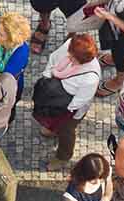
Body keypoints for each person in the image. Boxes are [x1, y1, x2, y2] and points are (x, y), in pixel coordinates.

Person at [32, 32, 102, 171]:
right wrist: (47, 78)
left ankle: (63, 156)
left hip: (69, 107)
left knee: (66, 131)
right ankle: (52, 130)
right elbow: (53, 58)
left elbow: (81, 100)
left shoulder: (90, 77)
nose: (68, 56)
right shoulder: (71, 46)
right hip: (55, 93)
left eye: (72, 57)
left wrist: (62, 110)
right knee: (51, 119)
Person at [78, 0, 124, 97]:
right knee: (115, 50)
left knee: (122, 58)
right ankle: (113, 59)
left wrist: (109, 16)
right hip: (114, 31)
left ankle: (119, 81)